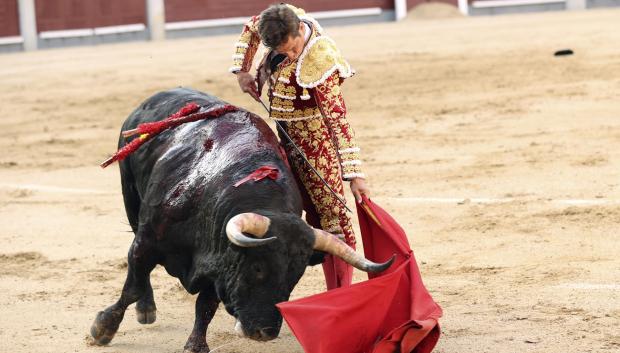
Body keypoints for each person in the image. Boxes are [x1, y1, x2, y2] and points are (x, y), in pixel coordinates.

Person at [229, 3, 369, 289]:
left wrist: (354, 174)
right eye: (284, 53)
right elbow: (249, 30)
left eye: (293, 49)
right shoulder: (276, 20)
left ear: (298, 31)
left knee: (334, 216)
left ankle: (340, 291)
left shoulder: (321, 59)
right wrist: (243, 72)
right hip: (281, 132)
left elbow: (337, 120)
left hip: (315, 141)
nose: (291, 56)